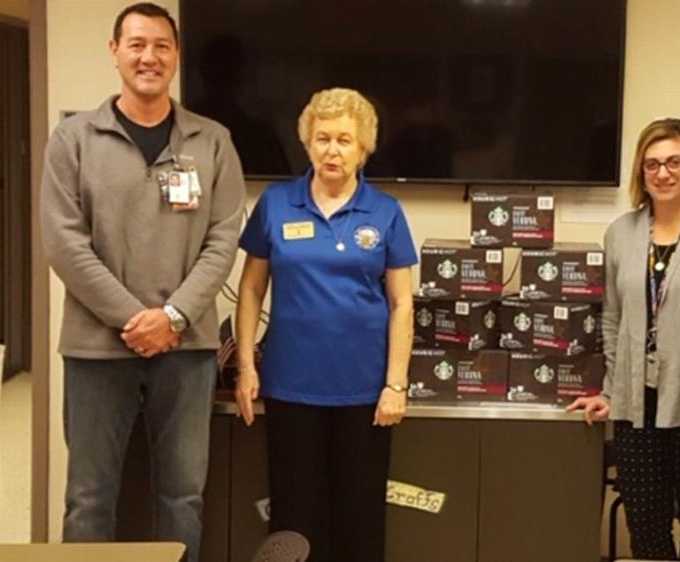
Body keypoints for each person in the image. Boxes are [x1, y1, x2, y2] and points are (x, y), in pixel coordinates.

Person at [39, 4, 245, 561]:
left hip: (188, 350)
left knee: (183, 497)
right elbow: (63, 242)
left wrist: (172, 318)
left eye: (160, 45)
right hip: (95, 350)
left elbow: (224, 240)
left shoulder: (213, 141)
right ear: (114, 52)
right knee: (88, 499)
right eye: (136, 44)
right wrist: (134, 319)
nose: (148, 57)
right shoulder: (73, 138)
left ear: (176, 56)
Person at [234, 87, 417, 562]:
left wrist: (396, 383)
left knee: (359, 518)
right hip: (291, 388)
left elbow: (401, 303)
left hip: (364, 393)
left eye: (344, 140)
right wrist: (246, 366)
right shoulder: (276, 204)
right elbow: (251, 289)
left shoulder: (386, 212)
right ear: (306, 143)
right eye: (322, 138)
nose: (332, 150)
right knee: (294, 521)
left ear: (363, 149)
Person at [567, 118, 680, 561]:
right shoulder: (620, 234)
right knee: (646, 528)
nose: (663, 173)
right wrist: (610, 390)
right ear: (641, 173)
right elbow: (612, 318)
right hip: (635, 407)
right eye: (652, 165)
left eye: (674, 162)